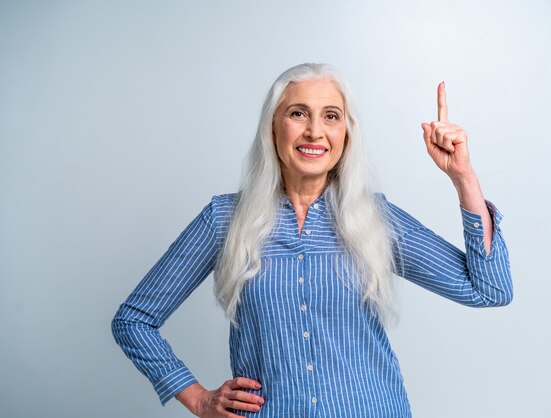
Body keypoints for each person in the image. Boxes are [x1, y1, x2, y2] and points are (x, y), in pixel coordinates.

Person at [112, 63, 513, 418]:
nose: (315, 131)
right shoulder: (224, 219)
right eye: (298, 113)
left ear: (345, 135)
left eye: (331, 116)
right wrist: (198, 399)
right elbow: (134, 320)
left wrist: (463, 178)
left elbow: (490, 290)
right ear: (274, 126)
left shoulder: (375, 218)